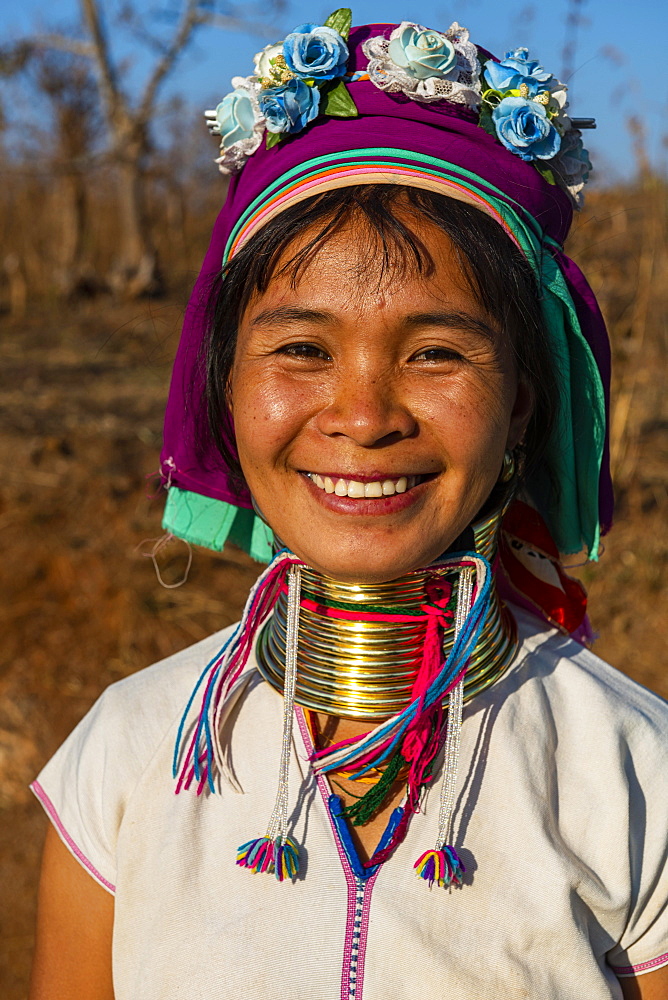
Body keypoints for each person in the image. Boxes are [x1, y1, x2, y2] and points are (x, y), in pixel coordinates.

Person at [28, 14, 668, 1000]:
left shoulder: (634, 777)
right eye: (300, 350)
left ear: (519, 408)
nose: (362, 416)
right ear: (223, 390)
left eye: (434, 353)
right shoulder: (125, 756)